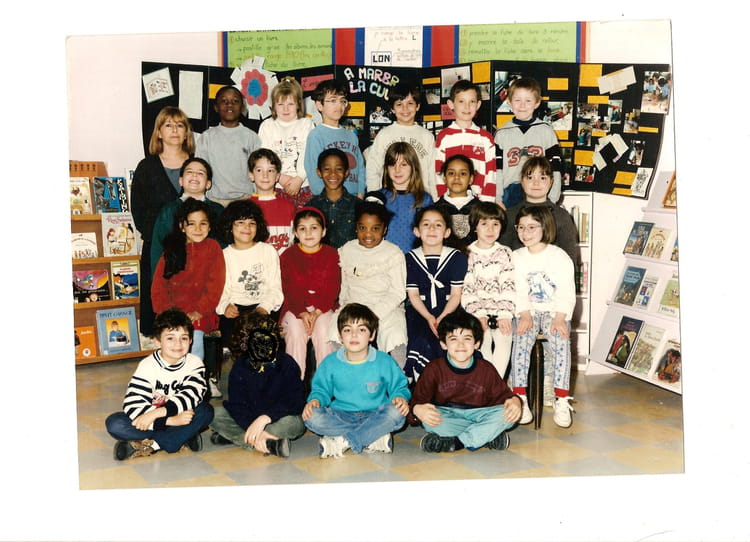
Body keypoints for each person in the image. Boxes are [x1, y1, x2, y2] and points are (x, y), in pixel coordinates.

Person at [303, 303, 410, 458]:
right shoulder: (330, 362)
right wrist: (315, 400)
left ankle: (344, 441)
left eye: (361, 330)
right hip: (341, 415)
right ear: (340, 336)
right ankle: (372, 437)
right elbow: (320, 390)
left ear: (372, 335)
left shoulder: (384, 361)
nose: (354, 335)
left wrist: (399, 397)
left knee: (397, 412)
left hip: (375, 414)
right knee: (312, 416)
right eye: (347, 330)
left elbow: (399, 387)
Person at [105, 309, 214, 460]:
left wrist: (157, 414)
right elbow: (132, 403)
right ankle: (182, 436)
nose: (178, 344)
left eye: (183, 338)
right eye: (170, 338)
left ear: (190, 340)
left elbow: (190, 395)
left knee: (206, 411)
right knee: (115, 423)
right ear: (157, 341)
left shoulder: (195, 363)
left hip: (173, 414)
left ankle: (153, 445)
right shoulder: (147, 365)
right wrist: (170, 421)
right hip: (163, 418)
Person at [408, 310, 522, 453]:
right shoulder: (434, 368)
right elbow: (416, 401)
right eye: (453, 339)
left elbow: (505, 397)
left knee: (508, 415)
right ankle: (486, 436)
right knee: (429, 421)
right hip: (448, 416)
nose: (460, 345)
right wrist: (417, 409)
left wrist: (516, 401)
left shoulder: (486, 369)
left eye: (467, 339)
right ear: (443, 344)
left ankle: (458, 442)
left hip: (479, 415)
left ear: (477, 344)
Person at [131, 106, 195, 335]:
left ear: (186, 133)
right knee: (158, 299)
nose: (174, 130)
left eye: (180, 125)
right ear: (159, 132)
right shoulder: (147, 166)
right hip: (158, 246)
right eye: (168, 125)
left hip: (192, 246)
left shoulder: (195, 165)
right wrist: (160, 236)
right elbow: (138, 209)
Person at [511, 205, 576, 428]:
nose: (525, 232)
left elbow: (566, 291)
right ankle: (520, 396)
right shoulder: (516, 257)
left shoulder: (559, 256)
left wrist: (560, 317)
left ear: (545, 227)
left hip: (554, 311)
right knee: (521, 336)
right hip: (528, 310)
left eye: (532, 227)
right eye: (521, 227)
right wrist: (524, 314)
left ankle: (561, 398)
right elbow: (519, 290)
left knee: (561, 338)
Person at [208, 311, 305, 458]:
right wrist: (251, 425)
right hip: (250, 419)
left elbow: (295, 401)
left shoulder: (287, 363)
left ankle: (242, 438)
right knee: (213, 414)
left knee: (295, 423)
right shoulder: (240, 367)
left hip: (276, 419)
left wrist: (265, 418)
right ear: (245, 343)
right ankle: (268, 443)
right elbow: (237, 406)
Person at [331, 198, 408, 367]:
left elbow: (398, 292)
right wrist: (343, 305)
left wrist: (374, 314)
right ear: (356, 227)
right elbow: (345, 284)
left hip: (386, 307)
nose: (368, 234)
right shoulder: (347, 249)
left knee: (395, 334)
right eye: (362, 228)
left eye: (375, 229)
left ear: (384, 229)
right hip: (354, 305)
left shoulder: (393, 253)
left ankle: (397, 376)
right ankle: (342, 372)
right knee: (333, 330)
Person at [151, 198, 225, 362]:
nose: (198, 229)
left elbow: (215, 286)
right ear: (182, 226)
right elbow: (159, 287)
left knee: (194, 339)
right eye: (191, 224)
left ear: (210, 226)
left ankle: (194, 374)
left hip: (201, 312)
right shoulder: (171, 250)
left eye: (203, 223)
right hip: (171, 311)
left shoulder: (213, 248)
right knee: (168, 340)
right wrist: (168, 313)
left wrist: (199, 311)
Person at [404, 205, 468, 382]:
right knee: (421, 337)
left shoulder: (457, 257)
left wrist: (442, 317)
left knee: (450, 336)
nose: (432, 229)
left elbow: (456, 295)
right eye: (426, 224)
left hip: (449, 309)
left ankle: (451, 381)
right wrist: (429, 317)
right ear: (417, 231)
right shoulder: (409, 258)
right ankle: (420, 381)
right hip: (420, 310)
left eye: (438, 225)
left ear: (447, 232)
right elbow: (413, 295)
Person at [280, 207, 340, 376]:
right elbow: (288, 289)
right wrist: (302, 312)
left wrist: (317, 311)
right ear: (295, 233)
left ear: (323, 231)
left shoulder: (332, 254)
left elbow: (332, 288)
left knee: (324, 332)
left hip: (324, 308)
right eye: (302, 228)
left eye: (314, 227)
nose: (308, 233)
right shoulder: (288, 256)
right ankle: (294, 382)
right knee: (295, 332)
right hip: (295, 308)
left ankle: (325, 383)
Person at [216, 199, 283, 347]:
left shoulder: (268, 251)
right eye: (240, 222)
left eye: (252, 223)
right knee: (233, 338)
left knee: (263, 341)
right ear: (230, 226)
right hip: (235, 308)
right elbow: (221, 290)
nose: (247, 227)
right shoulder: (224, 255)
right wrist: (225, 306)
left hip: (263, 306)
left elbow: (275, 288)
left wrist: (264, 307)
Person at [461, 201, 516, 378]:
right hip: (477, 313)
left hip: (501, 312)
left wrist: (504, 315)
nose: (490, 229)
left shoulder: (505, 253)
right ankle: (486, 381)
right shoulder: (467, 253)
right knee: (481, 342)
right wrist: (479, 314)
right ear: (475, 227)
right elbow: (467, 289)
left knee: (504, 338)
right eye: (484, 224)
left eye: (495, 224)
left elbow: (509, 285)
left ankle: (496, 382)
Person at [494, 77, 563, 208]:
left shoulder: (546, 131)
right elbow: (497, 170)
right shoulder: (501, 133)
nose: (522, 105)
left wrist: (553, 198)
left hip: (538, 192)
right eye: (517, 100)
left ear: (537, 103)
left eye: (528, 100)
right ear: (509, 102)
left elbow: (555, 168)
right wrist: (497, 198)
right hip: (510, 194)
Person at [149, 157, 225, 276]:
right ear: (180, 181)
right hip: (176, 276)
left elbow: (224, 247)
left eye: (200, 173)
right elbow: (157, 248)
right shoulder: (168, 211)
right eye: (189, 172)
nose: (194, 175)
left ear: (208, 184)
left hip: (210, 275)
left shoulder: (218, 210)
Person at [499, 156, 578, 265]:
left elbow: (570, 259)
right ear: (522, 181)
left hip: (552, 273)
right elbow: (503, 255)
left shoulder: (561, 216)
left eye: (542, 178)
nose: (536, 183)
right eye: (530, 177)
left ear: (551, 182)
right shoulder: (510, 215)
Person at [365, 83, 436, 198]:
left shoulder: (427, 136)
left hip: (420, 198)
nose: (405, 108)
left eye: (410, 103)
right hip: (390, 198)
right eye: (399, 104)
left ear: (417, 106)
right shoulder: (384, 135)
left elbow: (432, 172)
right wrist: (374, 198)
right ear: (392, 109)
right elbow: (373, 169)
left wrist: (434, 199)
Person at [196, 85, 261, 206]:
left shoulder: (252, 137)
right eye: (224, 101)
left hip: (245, 199)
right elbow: (200, 170)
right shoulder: (206, 137)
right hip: (215, 201)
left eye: (235, 101)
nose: (229, 105)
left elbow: (258, 171)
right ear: (216, 107)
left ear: (242, 107)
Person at [258, 76, 316, 208]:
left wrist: (299, 178)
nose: (285, 109)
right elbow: (264, 157)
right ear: (273, 106)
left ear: (298, 104)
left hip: (304, 185)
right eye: (280, 104)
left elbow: (309, 154)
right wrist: (279, 177)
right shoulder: (267, 126)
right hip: (275, 185)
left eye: (290, 104)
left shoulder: (307, 124)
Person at [434, 80, 496, 203]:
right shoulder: (444, 136)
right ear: (451, 104)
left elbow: (491, 174)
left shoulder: (486, 138)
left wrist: (487, 204)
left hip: (478, 203)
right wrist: (441, 201)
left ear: (478, 105)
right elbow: (438, 172)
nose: (467, 107)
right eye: (461, 101)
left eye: (472, 101)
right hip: (450, 201)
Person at [304, 79, 366, 198]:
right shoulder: (316, 135)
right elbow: (313, 170)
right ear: (319, 105)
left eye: (342, 101)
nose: (339, 105)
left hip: (353, 198)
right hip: (329, 198)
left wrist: (360, 193)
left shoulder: (351, 135)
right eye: (333, 100)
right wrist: (325, 197)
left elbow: (360, 168)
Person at [378, 141, 434, 253]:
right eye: (392, 164)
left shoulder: (425, 200)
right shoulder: (379, 198)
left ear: (413, 167)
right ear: (386, 168)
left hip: (414, 258)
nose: (397, 170)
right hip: (384, 258)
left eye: (403, 164)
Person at [307, 148, 358, 248]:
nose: (333, 173)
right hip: (321, 258)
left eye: (339, 169)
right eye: (327, 169)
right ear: (319, 172)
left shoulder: (358, 206)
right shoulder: (311, 207)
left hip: (350, 257)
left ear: (346, 172)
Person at [248, 148, 295, 254]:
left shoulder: (288, 207)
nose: (265, 175)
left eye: (270, 170)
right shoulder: (244, 208)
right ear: (251, 175)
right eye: (259, 170)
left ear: (277, 177)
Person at [434, 154, 480, 244]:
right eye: (451, 173)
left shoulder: (481, 209)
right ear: (444, 178)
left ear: (471, 179)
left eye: (463, 174)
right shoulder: (435, 210)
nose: (456, 177)